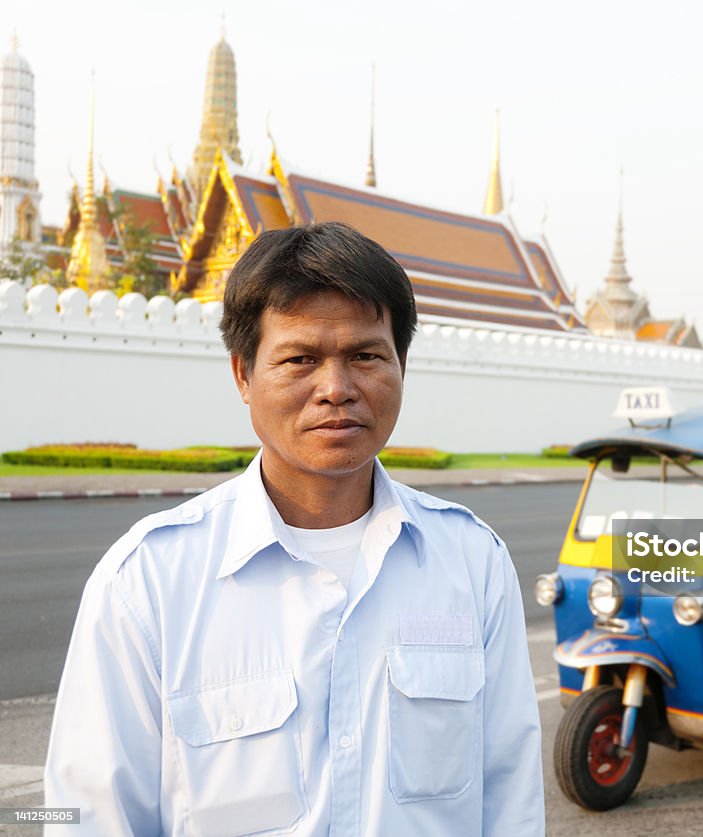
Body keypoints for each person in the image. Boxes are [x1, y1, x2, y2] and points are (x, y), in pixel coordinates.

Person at [44, 222, 545, 835]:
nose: (336, 389)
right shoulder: (148, 582)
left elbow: (510, 797)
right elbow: (89, 814)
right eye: (300, 359)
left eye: (365, 355)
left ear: (402, 366)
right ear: (242, 375)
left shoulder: (471, 561)